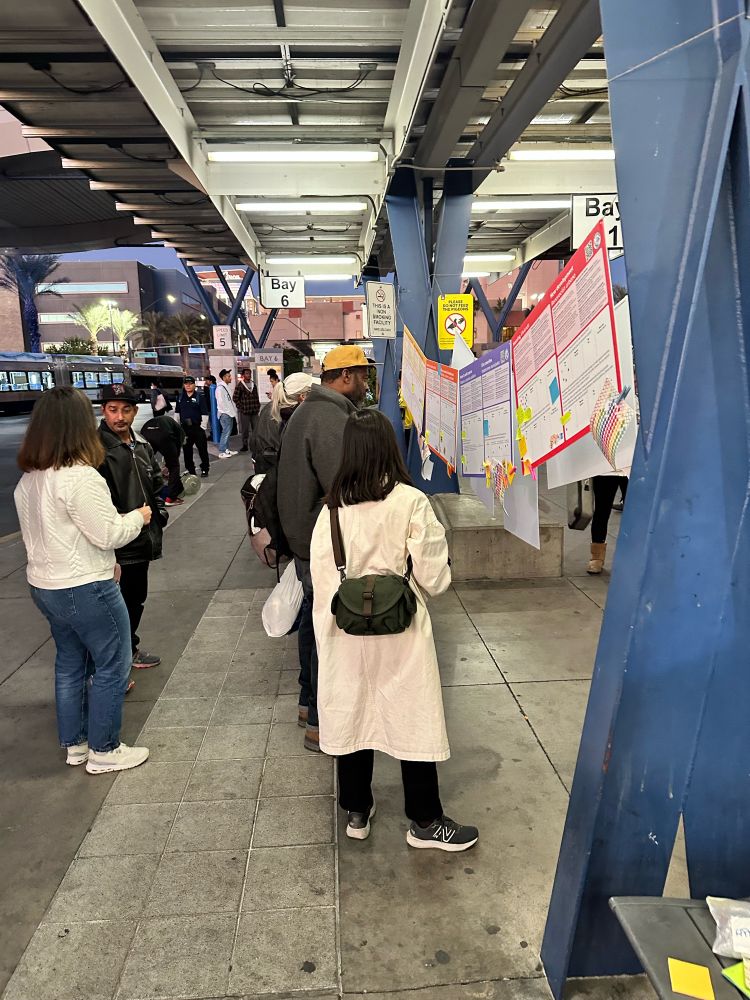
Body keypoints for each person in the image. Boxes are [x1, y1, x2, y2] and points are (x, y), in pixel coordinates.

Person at [310, 408, 478, 851]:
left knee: (353, 714)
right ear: (390, 447)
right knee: (412, 717)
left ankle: (357, 811)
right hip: (401, 631)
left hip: (344, 635)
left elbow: (324, 586)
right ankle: (425, 821)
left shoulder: (330, 511)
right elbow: (435, 580)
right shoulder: (411, 502)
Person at [14, 387, 151, 773]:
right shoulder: (81, 478)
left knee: (70, 664)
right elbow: (108, 534)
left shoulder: (30, 480)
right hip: (86, 586)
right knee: (113, 663)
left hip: (45, 585)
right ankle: (105, 749)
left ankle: (75, 744)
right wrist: (138, 517)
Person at [277, 345, 370, 752]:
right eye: (363, 376)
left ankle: (305, 703)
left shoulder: (311, 409)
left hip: (304, 535)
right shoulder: (331, 417)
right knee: (324, 633)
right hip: (319, 541)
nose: (366, 384)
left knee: (311, 622)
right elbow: (344, 485)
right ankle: (320, 721)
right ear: (345, 376)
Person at [98, 383, 167, 670]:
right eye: (113, 410)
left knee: (135, 599)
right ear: (103, 411)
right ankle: (117, 662)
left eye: (126, 410)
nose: (119, 417)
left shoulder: (142, 446)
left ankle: (129, 650)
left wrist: (159, 512)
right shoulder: (96, 449)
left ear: (135, 411)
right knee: (117, 607)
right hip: (117, 542)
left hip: (143, 537)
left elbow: (155, 483)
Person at [251, 372, 317, 473]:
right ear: (303, 397)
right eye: (313, 391)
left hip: (265, 471)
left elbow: (254, 441)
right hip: (284, 476)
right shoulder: (295, 417)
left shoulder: (270, 407)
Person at [141, 412, 186, 507]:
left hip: (145, 431)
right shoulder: (180, 432)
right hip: (162, 433)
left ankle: (148, 496)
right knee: (174, 466)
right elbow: (175, 452)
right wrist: (168, 466)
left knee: (147, 465)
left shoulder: (168, 421)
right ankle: (170, 498)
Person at [588, 475, 629, 574]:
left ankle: (634, 555)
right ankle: (597, 556)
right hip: (607, 466)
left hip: (633, 464)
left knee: (636, 510)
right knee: (601, 508)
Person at [176, 376, 210, 478]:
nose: (188, 385)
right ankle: (191, 470)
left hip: (197, 428)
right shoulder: (180, 397)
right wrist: (176, 427)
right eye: (186, 384)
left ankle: (205, 468)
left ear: (194, 385)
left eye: (190, 383)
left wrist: (202, 427)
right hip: (185, 429)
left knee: (202, 450)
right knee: (187, 451)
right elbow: (177, 413)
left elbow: (204, 413)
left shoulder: (200, 397)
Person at [233, 369, 261, 453]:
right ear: (243, 375)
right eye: (247, 373)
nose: (249, 375)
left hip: (254, 411)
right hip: (245, 412)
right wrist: (242, 407)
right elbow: (235, 398)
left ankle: (256, 444)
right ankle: (245, 445)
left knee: (256, 429)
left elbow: (256, 396)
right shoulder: (240, 386)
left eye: (249, 373)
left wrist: (258, 406)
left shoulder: (253, 385)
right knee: (245, 430)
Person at [216, 368, 238, 458]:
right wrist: (228, 412)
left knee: (227, 433)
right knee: (225, 432)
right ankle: (222, 451)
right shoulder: (220, 388)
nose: (231, 378)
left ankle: (226, 450)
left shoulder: (224, 387)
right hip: (225, 414)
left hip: (228, 413)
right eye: (229, 376)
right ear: (224, 377)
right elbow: (221, 403)